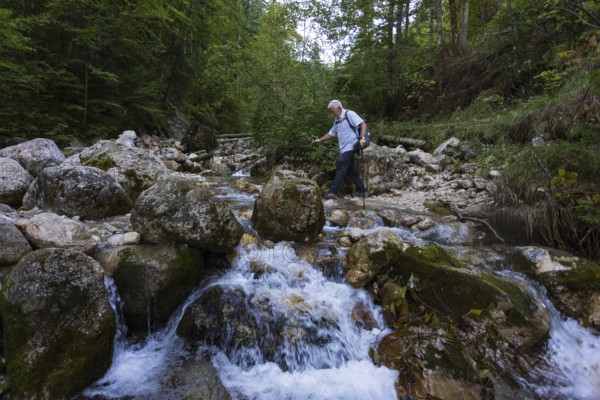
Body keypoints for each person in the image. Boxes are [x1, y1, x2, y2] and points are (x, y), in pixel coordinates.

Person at [312, 100, 368, 199]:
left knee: (341, 164)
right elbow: (331, 134)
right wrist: (319, 140)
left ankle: (332, 192)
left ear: (339, 108)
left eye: (333, 111)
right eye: (331, 112)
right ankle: (362, 190)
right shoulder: (337, 120)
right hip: (344, 148)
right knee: (350, 170)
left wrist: (362, 138)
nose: (332, 113)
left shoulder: (349, 114)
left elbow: (363, 124)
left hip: (352, 145)